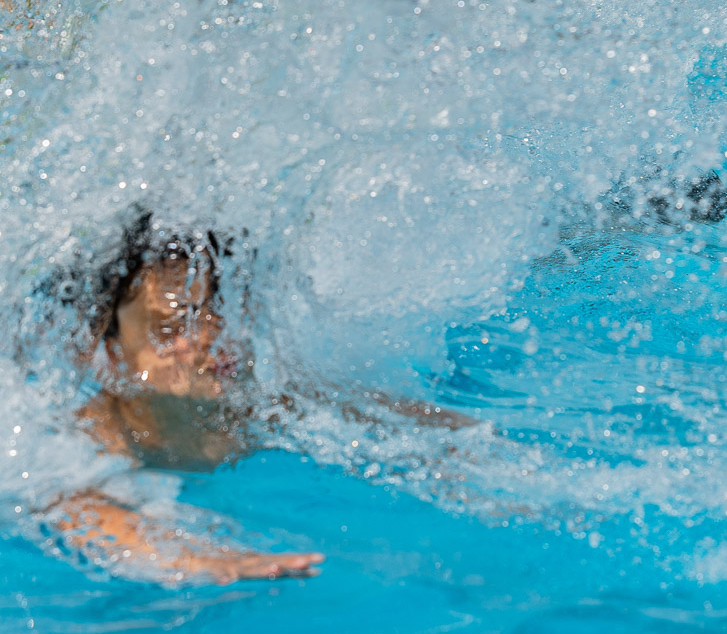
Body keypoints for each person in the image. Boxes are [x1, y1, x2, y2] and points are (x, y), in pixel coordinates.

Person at [35, 222, 473, 585]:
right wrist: (198, 559)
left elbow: (396, 418)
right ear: (107, 353)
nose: (212, 336)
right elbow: (69, 508)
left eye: (221, 309)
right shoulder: (100, 436)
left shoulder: (262, 405)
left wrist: (465, 444)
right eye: (173, 328)